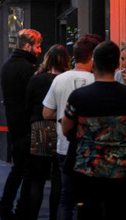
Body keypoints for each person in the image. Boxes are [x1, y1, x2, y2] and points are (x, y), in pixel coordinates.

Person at [61, 40, 126, 220]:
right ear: (117, 65)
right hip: (120, 170)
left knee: (88, 213)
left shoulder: (79, 97)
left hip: (87, 169)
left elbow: (66, 126)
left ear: (94, 64)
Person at [42, 34, 101, 220]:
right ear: (92, 57)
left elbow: (47, 113)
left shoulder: (59, 80)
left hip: (64, 147)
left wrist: (62, 112)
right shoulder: (95, 81)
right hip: (91, 149)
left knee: (66, 198)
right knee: (91, 199)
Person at [0, 29, 42, 220]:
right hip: (26, 128)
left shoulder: (8, 65)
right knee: (28, 172)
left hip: (14, 127)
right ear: (27, 46)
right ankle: (20, 211)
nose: (40, 50)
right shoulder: (27, 69)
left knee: (18, 170)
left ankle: (4, 209)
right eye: (38, 46)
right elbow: (31, 100)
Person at [24, 44, 69, 220]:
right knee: (58, 180)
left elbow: (27, 107)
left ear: (47, 59)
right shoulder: (66, 80)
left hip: (39, 130)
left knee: (37, 180)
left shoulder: (36, 79)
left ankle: (32, 215)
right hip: (61, 129)